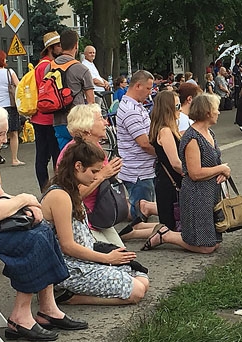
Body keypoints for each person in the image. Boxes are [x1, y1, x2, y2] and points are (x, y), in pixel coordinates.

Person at [0, 101, 87, 341]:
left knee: (44, 229)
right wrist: (25, 198)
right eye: (0, 134)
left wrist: (28, 204)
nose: (5, 139)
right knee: (31, 240)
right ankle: (20, 317)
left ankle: (47, 308)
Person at [41, 138, 150, 305]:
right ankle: (70, 297)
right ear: (78, 166)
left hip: (83, 260)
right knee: (137, 291)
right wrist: (106, 259)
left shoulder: (70, 189)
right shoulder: (60, 196)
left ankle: (69, 294)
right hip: (69, 268)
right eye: (93, 171)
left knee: (142, 278)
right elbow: (67, 246)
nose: (96, 177)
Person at [141, 93, 231, 254]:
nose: (219, 112)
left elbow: (215, 161)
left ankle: (162, 230)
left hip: (209, 191)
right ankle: (165, 235)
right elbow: (194, 172)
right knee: (207, 246)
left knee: (214, 242)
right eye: (216, 109)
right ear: (207, 112)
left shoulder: (210, 133)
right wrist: (221, 169)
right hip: (196, 194)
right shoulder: (191, 137)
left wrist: (223, 171)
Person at [60, 104, 161, 244]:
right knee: (114, 257)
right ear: (87, 126)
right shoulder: (73, 153)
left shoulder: (95, 146)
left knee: (122, 255)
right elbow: (72, 194)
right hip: (84, 220)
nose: (106, 122)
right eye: (100, 118)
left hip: (99, 216)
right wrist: (103, 175)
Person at [116, 70, 158, 220]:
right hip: (139, 171)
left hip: (140, 169)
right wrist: (163, 153)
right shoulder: (131, 111)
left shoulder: (134, 105)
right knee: (141, 214)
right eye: (148, 88)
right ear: (138, 86)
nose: (150, 92)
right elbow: (144, 144)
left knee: (142, 208)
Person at [48, 29, 94, 150]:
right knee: (82, 158)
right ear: (76, 45)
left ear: (61, 45)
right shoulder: (81, 69)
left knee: (65, 157)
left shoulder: (49, 67)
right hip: (78, 122)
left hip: (58, 120)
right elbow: (91, 100)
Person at [149, 90, 184, 232]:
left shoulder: (167, 129)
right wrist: (192, 173)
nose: (180, 108)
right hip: (169, 183)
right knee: (170, 226)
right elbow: (175, 163)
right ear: (168, 108)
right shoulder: (165, 131)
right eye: (177, 106)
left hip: (167, 180)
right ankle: (133, 232)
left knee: (169, 225)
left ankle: (134, 230)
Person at [32, 31, 63, 191]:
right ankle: (52, 191)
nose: (61, 48)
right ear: (51, 48)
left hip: (38, 117)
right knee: (55, 156)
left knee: (42, 156)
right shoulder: (48, 66)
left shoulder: (39, 65)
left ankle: (44, 189)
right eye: (58, 45)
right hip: (48, 117)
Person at [0, 50, 24, 166]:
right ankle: (14, 159)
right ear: (2, 60)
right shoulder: (9, 71)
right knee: (13, 133)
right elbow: (19, 86)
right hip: (9, 105)